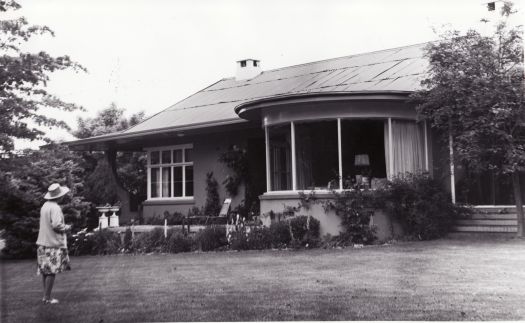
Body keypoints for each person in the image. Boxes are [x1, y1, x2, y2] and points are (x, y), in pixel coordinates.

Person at [36, 183, 72, 304]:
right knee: (51, 271)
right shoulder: (55, 207)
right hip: (53, 243)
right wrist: (67, 227)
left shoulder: (44, 206)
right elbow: (56, 225)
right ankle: (47, 298)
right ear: (59, 196)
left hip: (42, 243)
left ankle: (46, 296)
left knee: (46, 271)